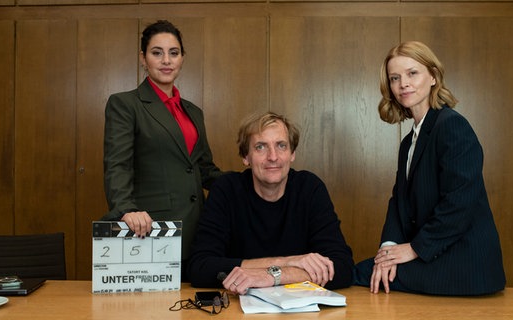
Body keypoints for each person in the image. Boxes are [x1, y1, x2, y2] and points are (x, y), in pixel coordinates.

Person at [353, 41, 505, 296]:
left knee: (358, 273)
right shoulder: (408, 142)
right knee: (372, 270)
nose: (404, 83)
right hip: (436, 254)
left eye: (412, 73)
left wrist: (412, 249)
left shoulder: (452, 126)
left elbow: (460, 203)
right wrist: (388, 250)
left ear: (433, 76)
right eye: (395, 78)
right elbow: (398, 202)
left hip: (463, 265)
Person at [101, 20, 224, 271]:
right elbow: (118, 165)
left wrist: (251, 180)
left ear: (182, 58)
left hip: (199, 229)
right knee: (154, 309)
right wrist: (126, 209)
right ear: (143, 58)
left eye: (174, 53)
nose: (166, 60)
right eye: (157, 53)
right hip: (150, 230)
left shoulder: (194, 112)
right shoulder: (125, 104)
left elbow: (204, 169)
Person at [188, 112, 354, 292]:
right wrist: (287, 262)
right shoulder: (226, 190)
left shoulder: (309, 188)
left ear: (292, 154)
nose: (273, 157)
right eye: (260, 147)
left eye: (281, 146)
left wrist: (272, 276)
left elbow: (342, 267)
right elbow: (200, 268)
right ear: (246, 157)